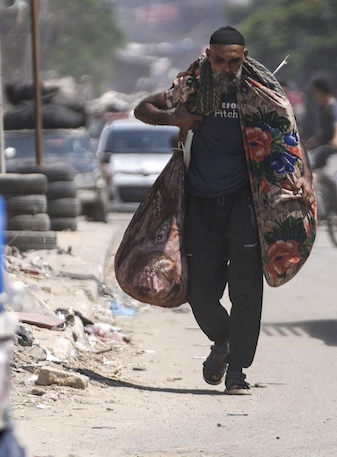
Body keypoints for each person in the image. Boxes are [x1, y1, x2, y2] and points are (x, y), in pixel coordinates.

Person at [133, 26, 316, 395]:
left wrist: (301, 182)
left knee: (246, 291)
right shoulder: (194, 87)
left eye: (235, 60)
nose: (228, 67)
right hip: (200, 202)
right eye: (220, 60)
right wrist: (178, 121)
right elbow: (143, 109)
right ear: (209, 55)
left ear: (244, 56)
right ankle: (223, 340)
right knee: (199, 292)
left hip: (246, 204)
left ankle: (237, 371)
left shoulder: (263, 92)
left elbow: (287, 135)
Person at [305, 77, 337, 229]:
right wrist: (312, 142)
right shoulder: (320, 109)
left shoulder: (335, 107)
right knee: (310, 175)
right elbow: (321, 133)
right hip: (323, 151)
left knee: (330, 177)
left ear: (321, 92)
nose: (314, 95)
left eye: (315, 92)